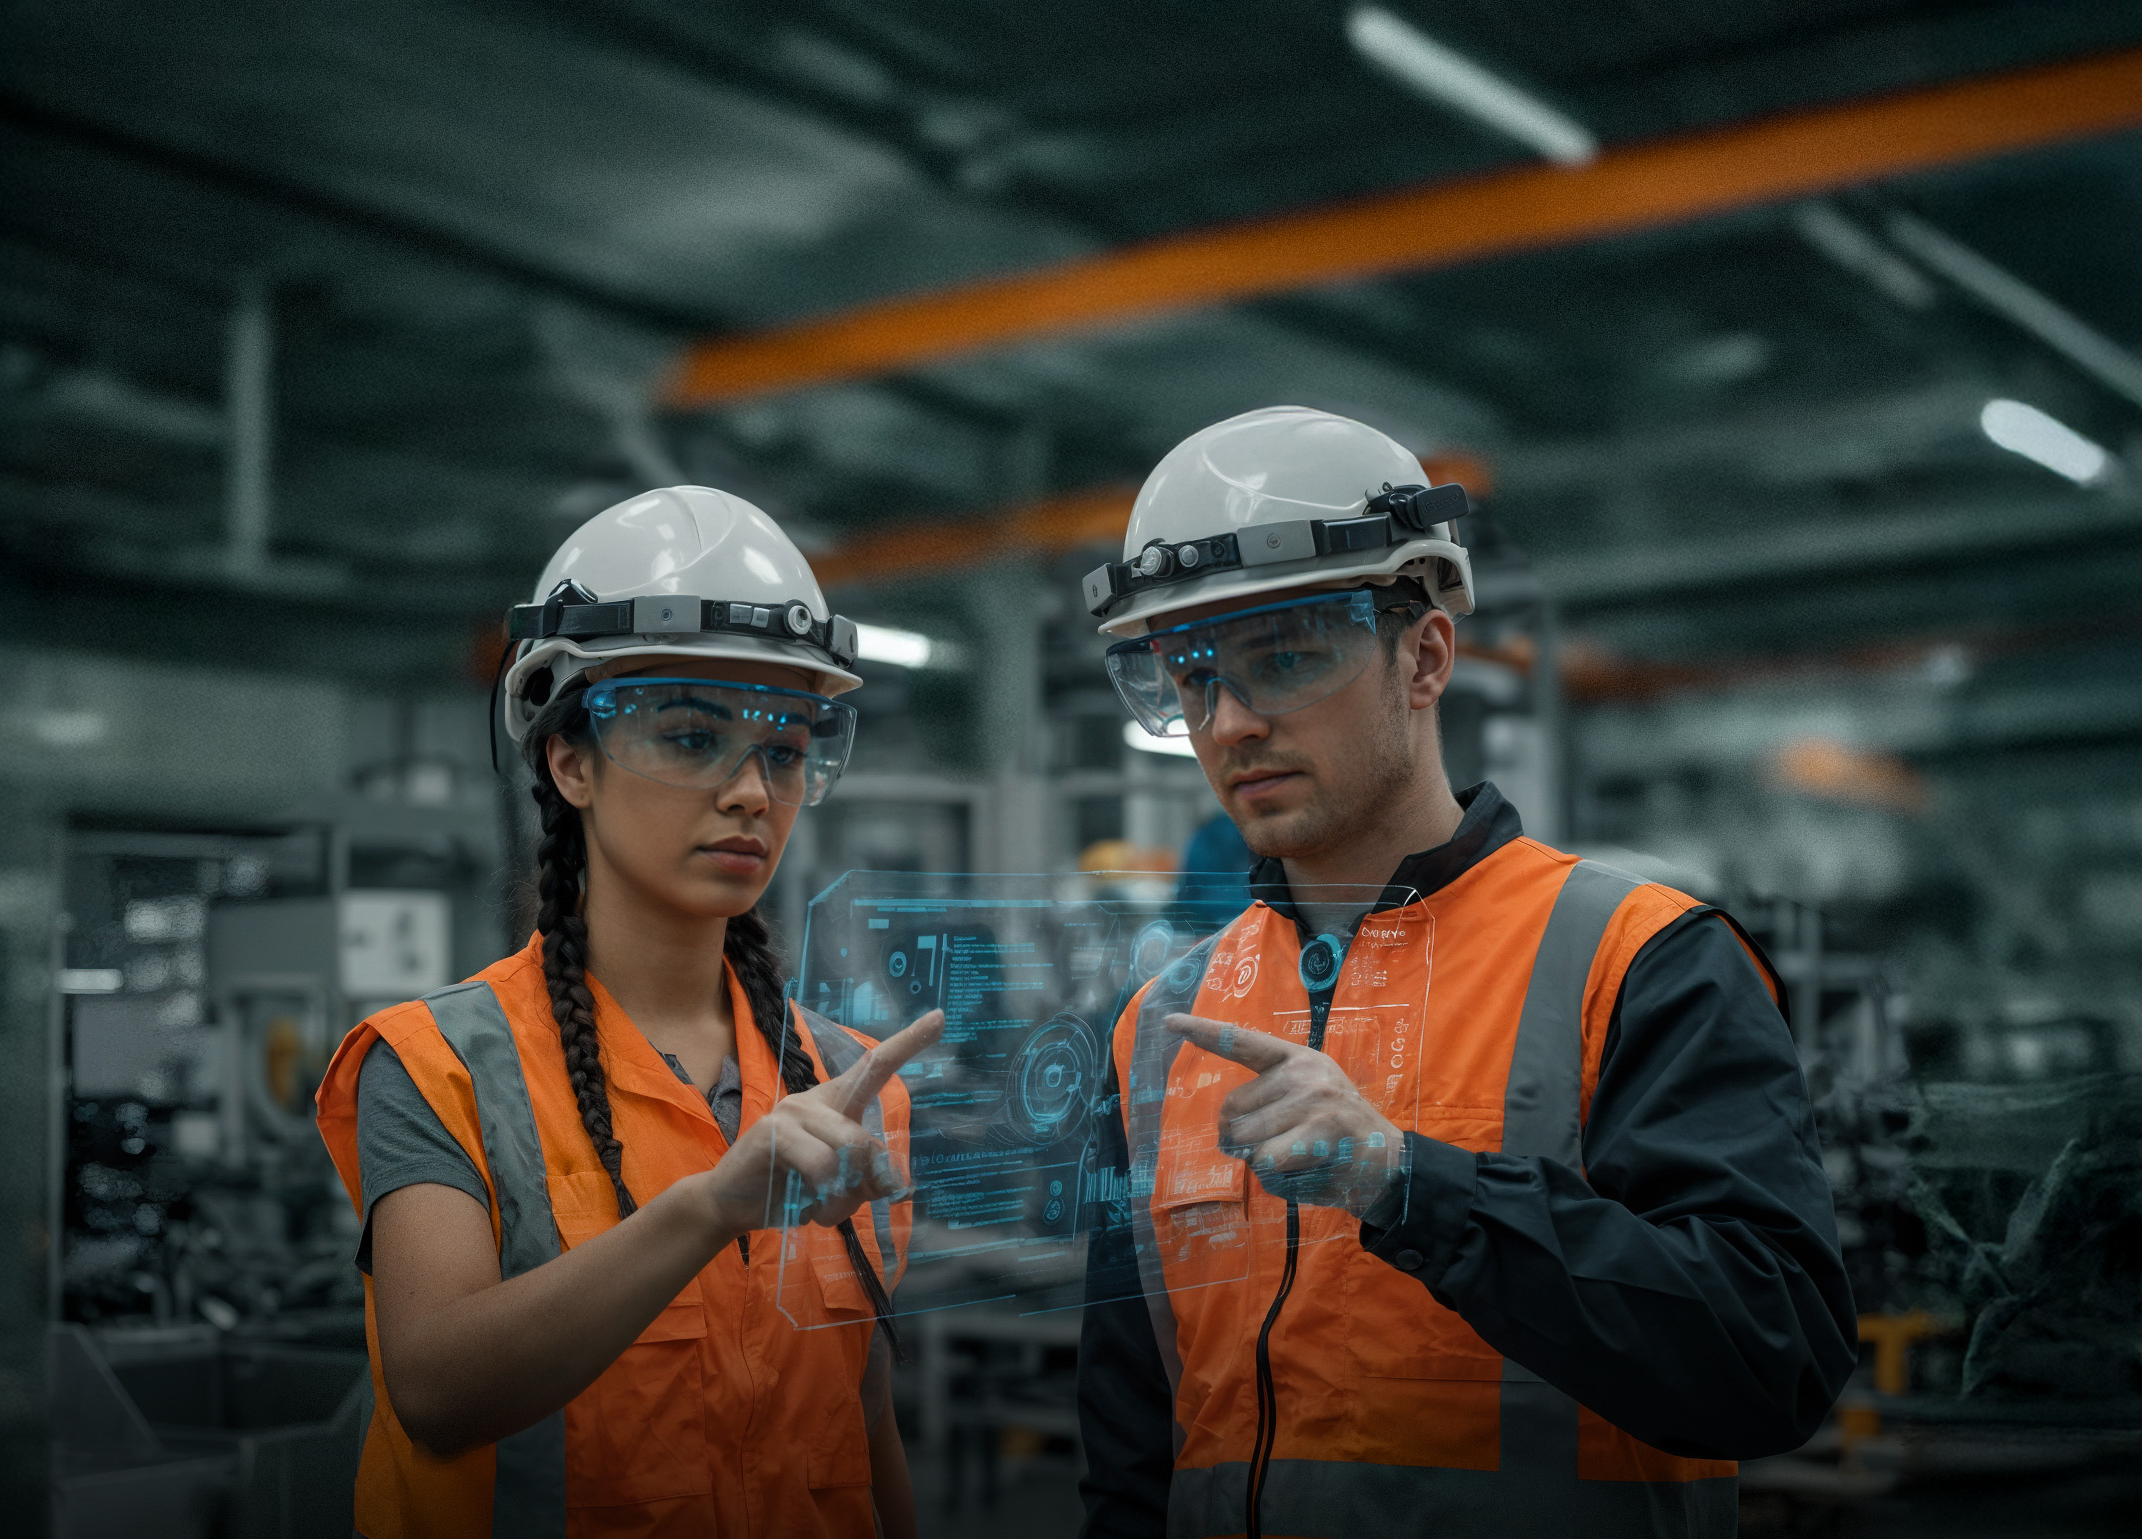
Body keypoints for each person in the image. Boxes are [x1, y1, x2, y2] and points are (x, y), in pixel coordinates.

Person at [1074, 408, 1855, 1538]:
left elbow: (1767, 1359)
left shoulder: (1639, 961)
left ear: (1425, 655)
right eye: (1190, 679)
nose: (1231, 723)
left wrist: (1408, 1185)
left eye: (1284, 659)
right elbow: (1134, 1434)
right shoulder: (1159, 1027)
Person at [315, 486, 940, 1539]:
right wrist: (707, 1209)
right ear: (570, 763)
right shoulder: (437, 1069)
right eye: (693, 738)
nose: (751, 791)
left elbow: (862, 1413)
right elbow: (436, 1392)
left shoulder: (846, 1078)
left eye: (785, 752)